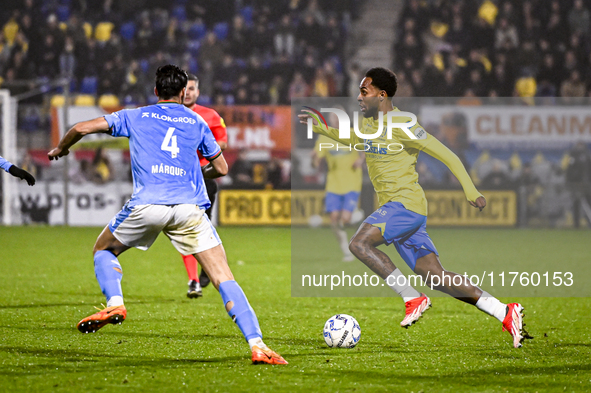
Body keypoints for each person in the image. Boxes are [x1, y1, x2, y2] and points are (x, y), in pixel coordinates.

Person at [47, 65, 287, 365]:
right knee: (223, 276)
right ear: (183, 91)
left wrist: (60, 148)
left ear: (157, 90)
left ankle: (116, 303)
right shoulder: (197, 121)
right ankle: (257, 344)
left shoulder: (134, 115)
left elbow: (80, 128)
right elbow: (222, 168)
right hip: (189, 209)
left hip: (148, 204)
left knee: (103, 250)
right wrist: (199, 171)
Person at [299, 67, 531, 348]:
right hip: (399, 210)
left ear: (381, 95)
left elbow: (447, 155)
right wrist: (322, 128)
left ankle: (411, 297)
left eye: (364, 91)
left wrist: (471, 190)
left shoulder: (404, 125)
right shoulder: (370, 126)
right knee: (436, 276)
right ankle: (504, 311)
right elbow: (353, 139)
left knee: (359, 244)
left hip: (405, 205)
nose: (359, 98)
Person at [181, 74, 228, 298]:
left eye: (192, 89)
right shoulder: (169, 115)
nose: (188, 92)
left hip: (203, 177)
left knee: (203, 228)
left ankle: (205, 271)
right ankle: (193, 280)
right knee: (186, 229)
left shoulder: (210, 115)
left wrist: (203, 146)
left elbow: (223, 141)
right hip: (178, 179)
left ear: (197, 92)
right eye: (184, 89)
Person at [312, 134, 364, 261]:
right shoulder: (324, 138)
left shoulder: (354, 134)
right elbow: (315, 164)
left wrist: (362, 159)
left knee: (345, 218)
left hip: (352, 183)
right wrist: (314, 159)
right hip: (333, 185)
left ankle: (354, 217)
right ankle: (346, 250)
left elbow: (370, 147)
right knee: (334, 218)